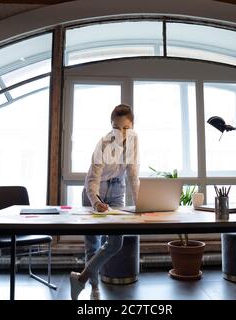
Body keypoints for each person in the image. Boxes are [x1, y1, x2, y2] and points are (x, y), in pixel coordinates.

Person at [70, 104, 140, 300]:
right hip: (96, 190)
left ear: (132, 125)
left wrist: (140, 203)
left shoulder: (134, 140)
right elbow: (92, 178)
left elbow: (133, 174)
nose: (121, 133)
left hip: (118, 190)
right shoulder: (103, 143)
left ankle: (81, 278)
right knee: (93, 244)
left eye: (125, 128)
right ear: (111, 125)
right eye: (117, 128)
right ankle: (94, 288)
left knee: (116, 242)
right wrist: (95, 201)